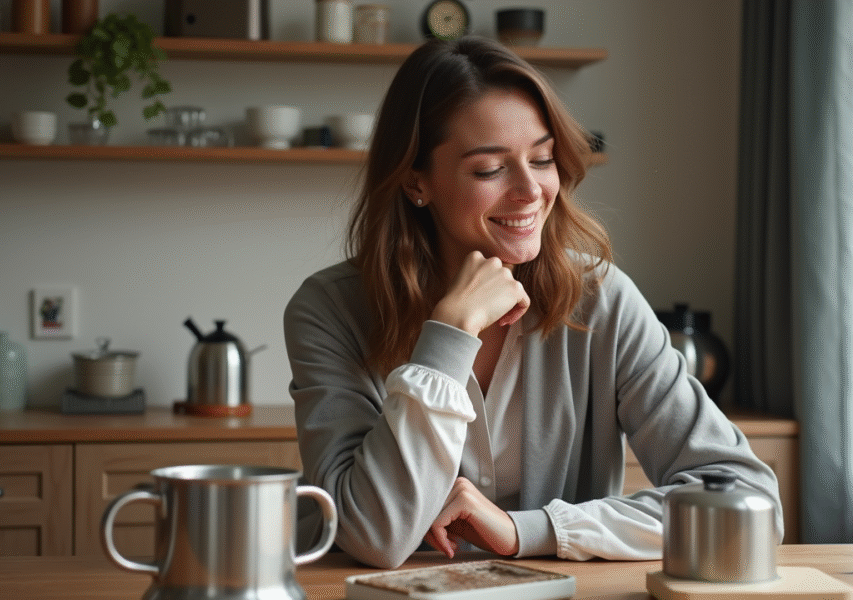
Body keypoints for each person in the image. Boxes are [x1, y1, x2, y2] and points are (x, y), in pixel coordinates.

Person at [284, 35, 782, 570]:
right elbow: (371, 535)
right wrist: (448, 338)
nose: (530, 191)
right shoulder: (328, 311)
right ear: (415, 181)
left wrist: (528, 531)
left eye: (542, 159)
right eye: (490, 170)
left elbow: (746, 502)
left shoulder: (603, 300)